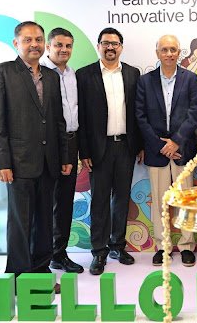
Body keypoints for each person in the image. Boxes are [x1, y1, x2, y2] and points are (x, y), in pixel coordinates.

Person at [0, 21, 70, 292]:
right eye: (28, 39)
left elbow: (58, 121)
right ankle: (18, 278)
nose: (34, 44)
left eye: (39, 39)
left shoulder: (52, 76)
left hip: (48, 162)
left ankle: (41, 274)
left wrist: (65, 157)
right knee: (20, 223)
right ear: (16, 43)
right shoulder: (1, 72)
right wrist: (1, 162)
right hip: (17, 163)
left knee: (44, 222)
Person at [76, 27, 143, 275]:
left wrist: (140, 145)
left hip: (126, 146)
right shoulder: (85, 75)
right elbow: (81, 117)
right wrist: (84, 152)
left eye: (114, 43)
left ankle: (117, 246)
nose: (110, 47)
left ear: (121, 47)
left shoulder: (133, 73)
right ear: (99, 46)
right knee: (100, 201)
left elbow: (138, 112)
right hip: (98, 149)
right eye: (105, 43)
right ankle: (98, 251)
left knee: (122, 199)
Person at [135, 35, 197, 267]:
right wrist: (161, 145)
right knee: (160, 202)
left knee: (186, 201)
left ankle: (186, 246)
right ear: (158, 53)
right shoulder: (145, 81)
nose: (169, 54)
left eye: (173, 49)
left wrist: (176, 142)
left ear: (179, 53)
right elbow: (140, 116)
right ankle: (162, 246)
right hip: (157, 152)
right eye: (164, 49)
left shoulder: (190, 79)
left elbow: (194, 112)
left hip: (183, 150)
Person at [41, 27, 84, 274]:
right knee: (47, 203)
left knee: (65, 202)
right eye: (58, 45)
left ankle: (59, 254)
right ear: (48, 47)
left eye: (68, 46)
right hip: (48, 144)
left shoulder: (72, 74)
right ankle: (43, 256)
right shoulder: (40, 74)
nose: (63, 50)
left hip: (71, 141)